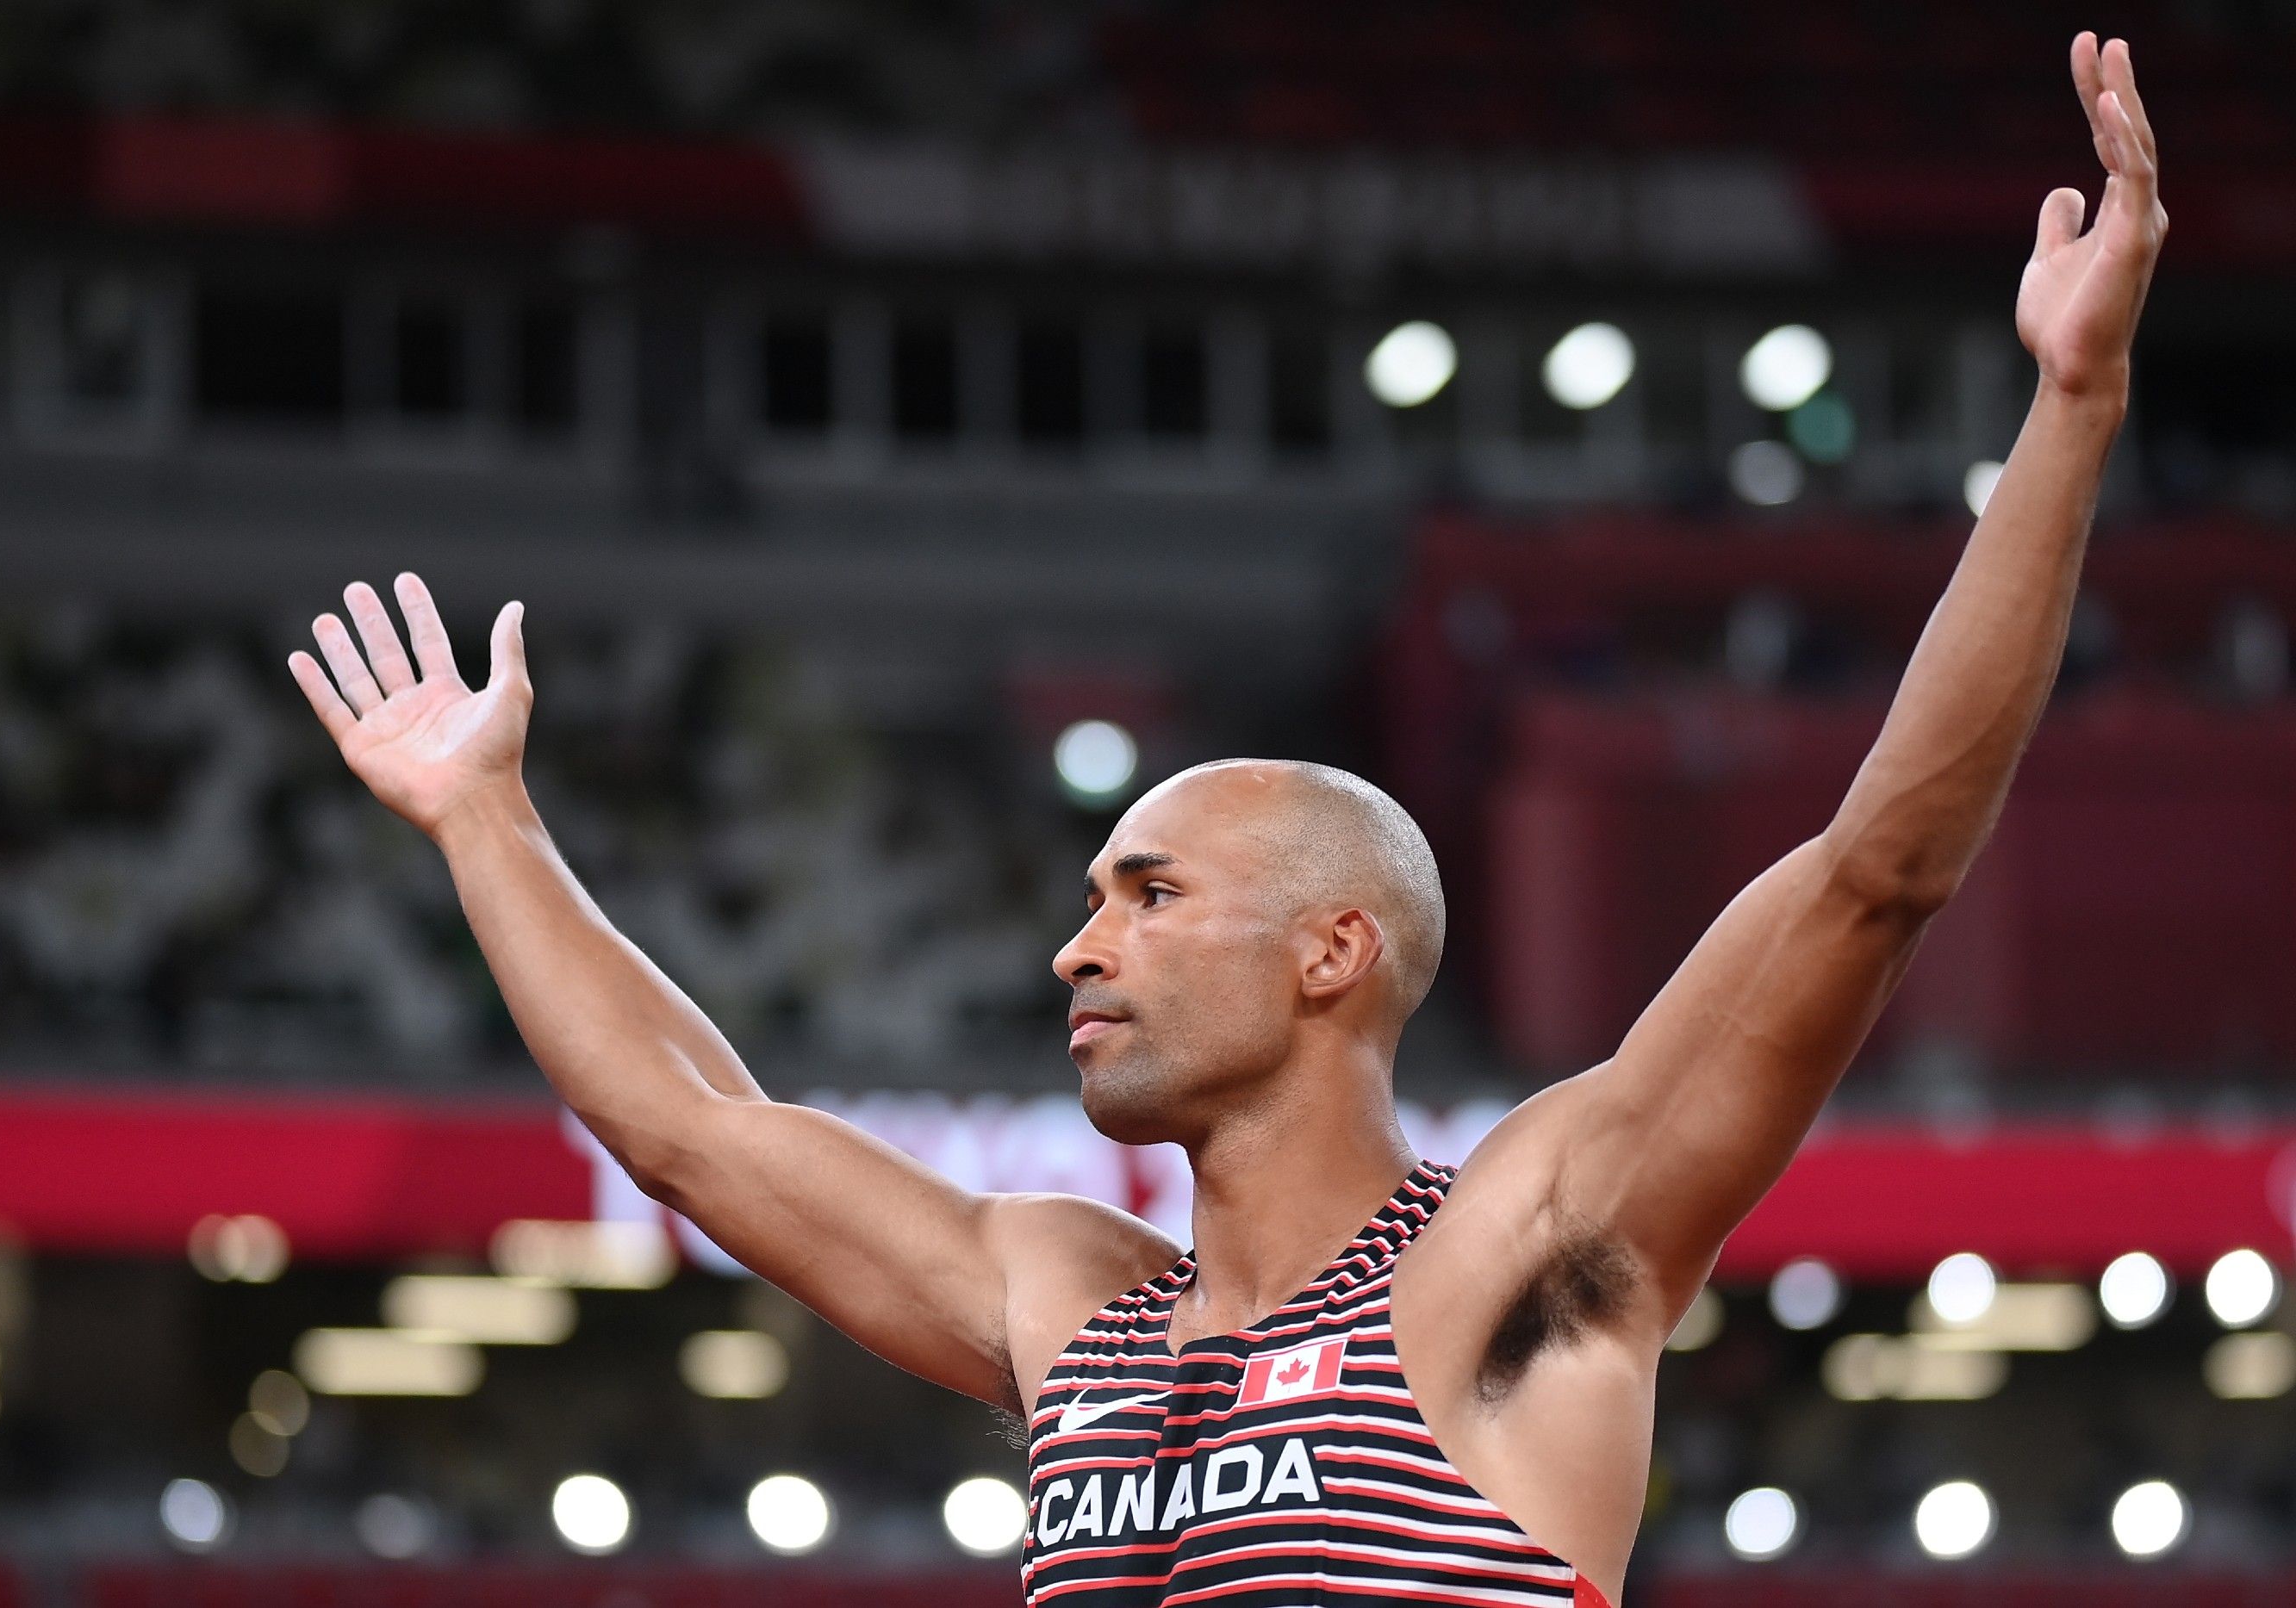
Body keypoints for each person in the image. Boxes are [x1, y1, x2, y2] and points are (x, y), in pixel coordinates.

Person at [288, 33, 2165, 1605]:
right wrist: (482, 819)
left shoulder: (1524, 1241)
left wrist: (2068, 407)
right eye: (1092, 897)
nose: (1075, 944)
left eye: (1147, 892)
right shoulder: (1069, 1300)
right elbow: (690, 1134)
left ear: (1332, 950)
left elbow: (1872, 873)